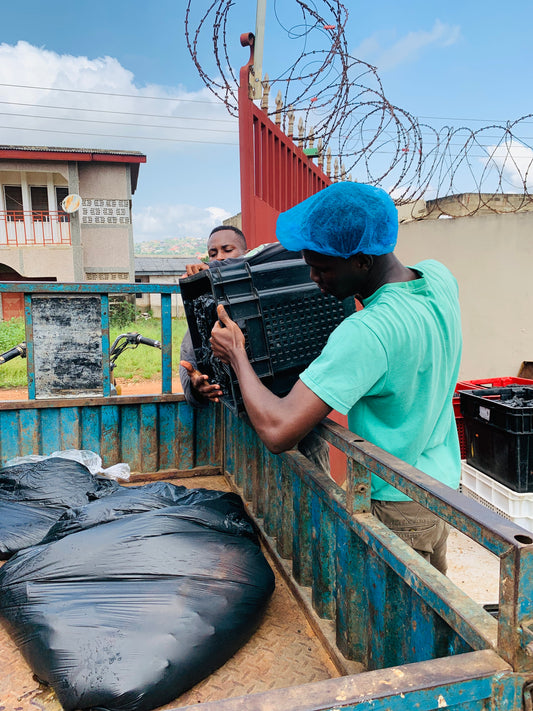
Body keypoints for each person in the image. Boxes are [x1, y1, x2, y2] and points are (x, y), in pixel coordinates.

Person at [209, 181, 462, 574]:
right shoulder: (438, 278)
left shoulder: (368, 332)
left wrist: (237, 355)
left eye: (323, 268)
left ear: (362, 261)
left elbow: (278, 431)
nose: (313, 277)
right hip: (440, 487)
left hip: (391, 503)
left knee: (384, 630)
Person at [179, 225, 330, 473]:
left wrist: (224, 269)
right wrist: (197, 387)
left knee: (315, 494)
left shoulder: (276, 295)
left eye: (228, 250)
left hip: (302, 428)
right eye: (213, 253)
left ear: (246, 253)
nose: (220, 257)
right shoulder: (205, 311)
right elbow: (189, 369)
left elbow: (280, 249)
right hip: (250, 439)